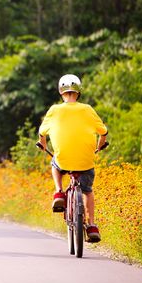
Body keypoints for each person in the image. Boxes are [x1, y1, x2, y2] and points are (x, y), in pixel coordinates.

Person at [37, 74, 108, 243]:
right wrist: (99, 146)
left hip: (63, 159)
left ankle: (59, 192)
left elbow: (42, 134)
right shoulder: (88, 109)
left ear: (61, 92)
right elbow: (103, 133)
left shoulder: (54, 110)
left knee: (55, 163)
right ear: (78, 92)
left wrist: (43, 145)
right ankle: (91, 225)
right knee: (88, 191)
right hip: (86, 160)